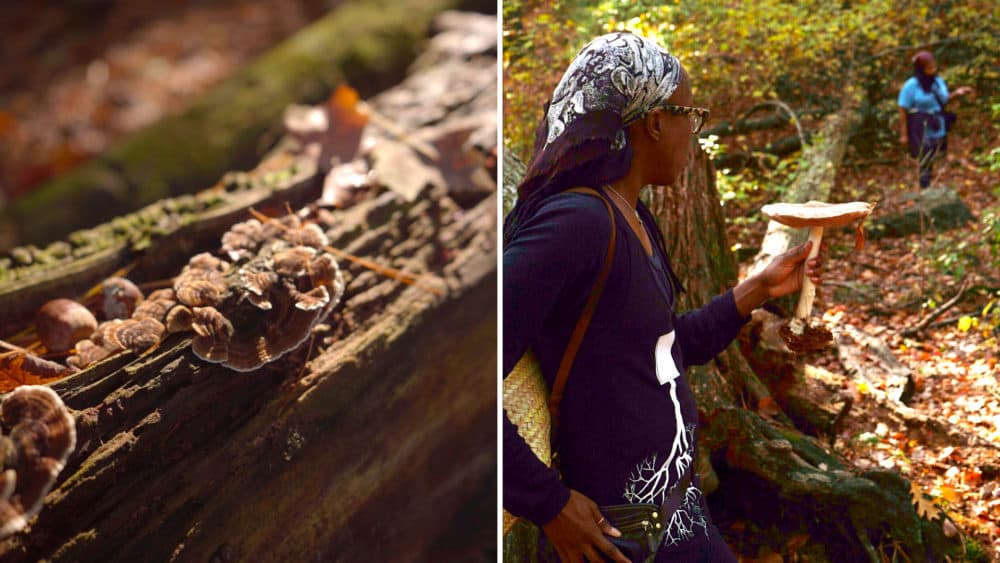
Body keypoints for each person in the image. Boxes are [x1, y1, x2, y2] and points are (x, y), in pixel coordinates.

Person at [503, 32, 825, 562]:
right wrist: (549, 504)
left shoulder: (632, 217)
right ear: (653, 122)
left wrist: (759, 289)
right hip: (617, 537)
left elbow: (659, 350)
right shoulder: (576, 223)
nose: (693, 134)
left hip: (678, 516)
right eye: (688, 115)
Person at [897, 50, 972, 189]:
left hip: (937, 123)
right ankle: (924, 186)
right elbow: (902, 108)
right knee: (924, 155)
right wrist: (904, 133)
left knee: (937, 152)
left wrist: (957, 93)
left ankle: (936, 182)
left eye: (934, 67)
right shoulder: (911, 85)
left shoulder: (937, 82)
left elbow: (944, 99)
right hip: (920, 126)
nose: (933, 71)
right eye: (929, 68)